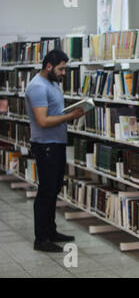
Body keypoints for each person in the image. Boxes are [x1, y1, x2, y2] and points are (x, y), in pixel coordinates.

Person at [25, 49, 87, 252]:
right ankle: (41, 239)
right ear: (49, 66)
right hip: (46, 146)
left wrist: (72, 111)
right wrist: (71, 116)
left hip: (56, 144)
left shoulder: (52, 84)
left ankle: (51, 231)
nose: (63, 73)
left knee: (54, 190)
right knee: (46, 192)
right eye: (61, 69)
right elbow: (43, 121)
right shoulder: (37, 87)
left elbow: (54, 112)